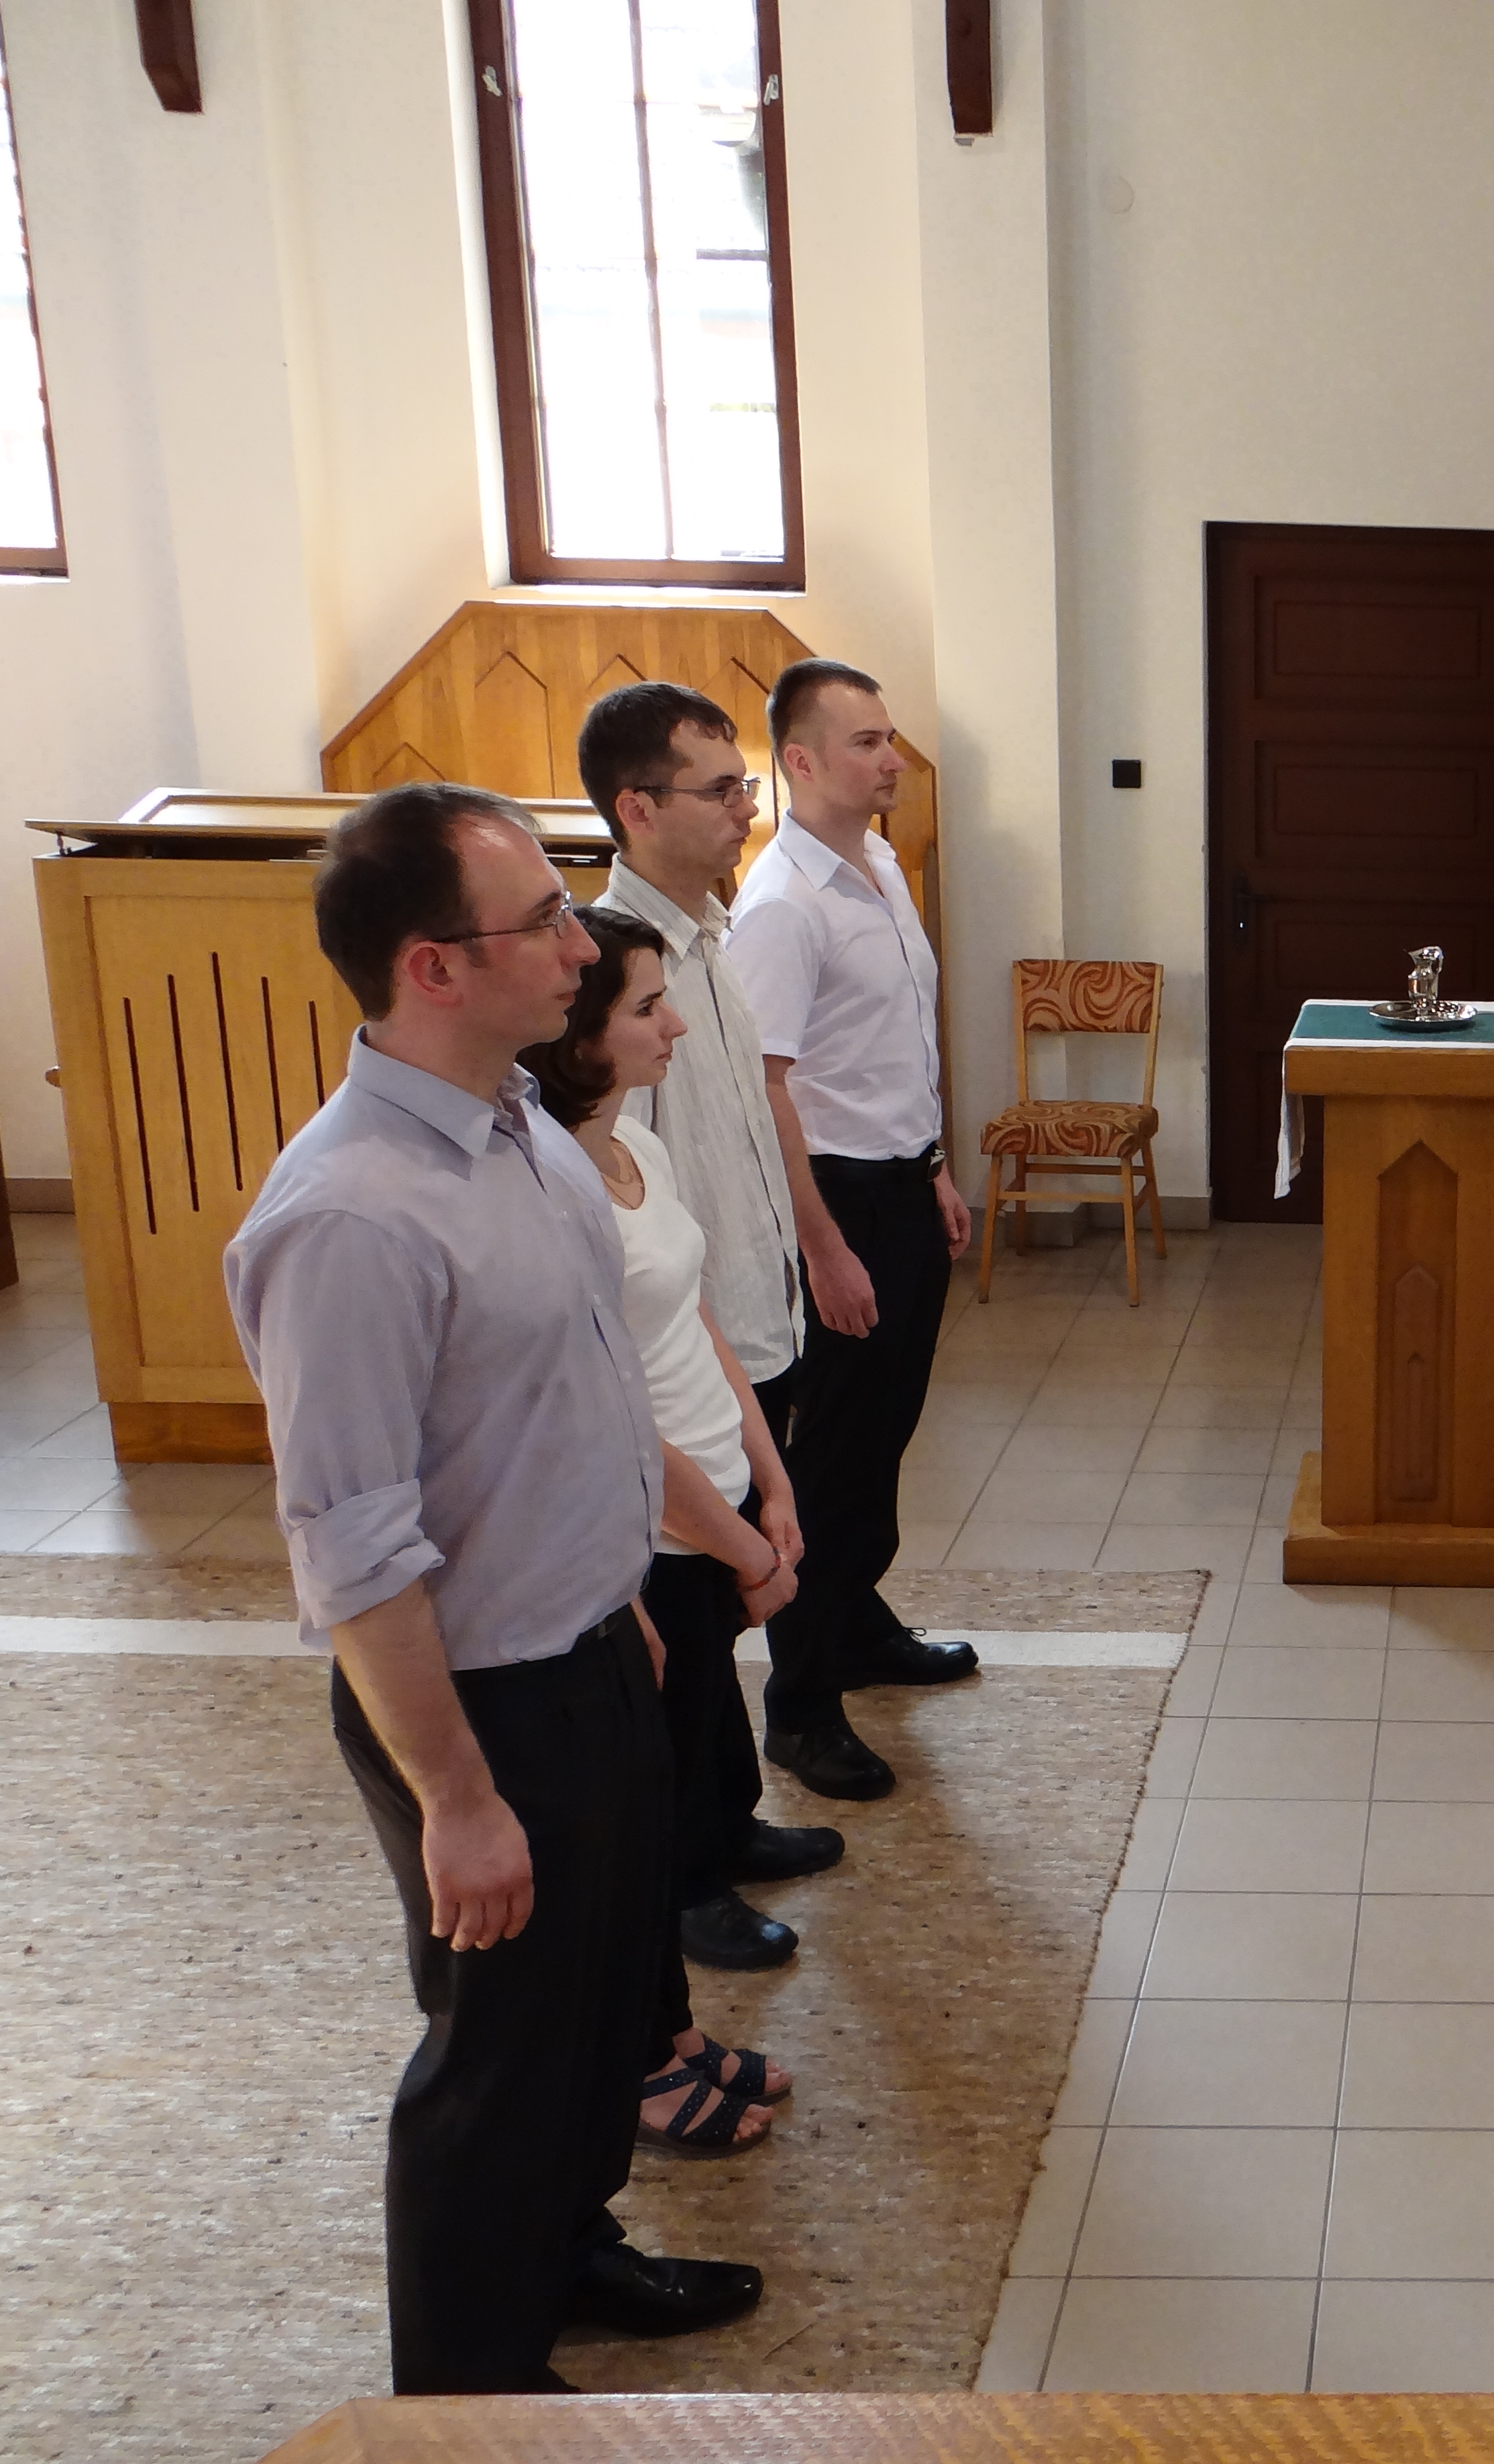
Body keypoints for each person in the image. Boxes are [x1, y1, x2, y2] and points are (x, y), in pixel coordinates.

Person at [223, 784, 761, 2393]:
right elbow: (353, 1544)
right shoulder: (348, 1216)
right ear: (433, 967)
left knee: (598, 2011)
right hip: (478, 1706)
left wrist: (623, 1593)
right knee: (499, 2055)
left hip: (593, 1647)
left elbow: (581, 1396)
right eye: (542, 922)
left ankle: (570, 2254)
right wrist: (456, 1797)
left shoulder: (527, 1129)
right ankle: (464, 2395)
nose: (582, 947)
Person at [521, 906, 807, 2155]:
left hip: (717, 1497)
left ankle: (675, 2035)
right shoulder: (548, 1181)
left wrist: (770, 1478)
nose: (675, 1024)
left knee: (683, 1766)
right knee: (645, 1813)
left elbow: (692, 1324)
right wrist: (740, 1547)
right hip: (652, 1530)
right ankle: (642, 2060)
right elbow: (617, 1413)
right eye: (646, 1006)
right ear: (577, 1035)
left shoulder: (634, 1144)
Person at [581, 680, 844, 1963]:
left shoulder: (712, 934)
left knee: (717, 1617)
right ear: (637, 807)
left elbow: (742, 1131)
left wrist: (806, 1254)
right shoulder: (608, 977)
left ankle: (728, 1822)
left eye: (748, 784)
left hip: (739, 1318)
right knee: (684, 1628)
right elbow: (617, 1215)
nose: (748, 808)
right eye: (724, 787)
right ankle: (684, 1878)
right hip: (672, 1347)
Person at [725, 659, 978, 1802]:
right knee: (828, 1457)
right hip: (834, 1199)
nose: (891, 759)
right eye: (866, 742)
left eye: (890, 738)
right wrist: (823, 1248)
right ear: (801, 760)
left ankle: (860, 1624)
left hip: (899, 1184)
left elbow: (896, 1047)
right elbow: (766, 1086)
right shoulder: (784, 904)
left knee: (885, 1430)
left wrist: (936, 1169)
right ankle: (801, 1704)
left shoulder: (878, 865)